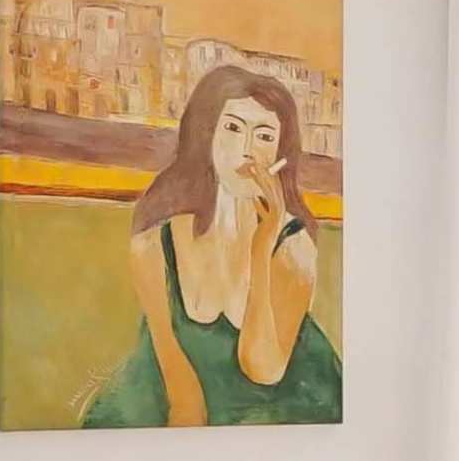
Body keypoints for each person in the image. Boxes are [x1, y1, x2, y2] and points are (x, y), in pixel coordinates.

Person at [80, 64, 344, 425]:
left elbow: (264, 369)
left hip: (283, 403)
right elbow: (177, 380)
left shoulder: (293, 247)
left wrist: (262, 248)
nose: (248, 150)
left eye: (265, 137)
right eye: (233, 129)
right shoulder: (157, 238)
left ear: (282, 152)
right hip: (176, 397)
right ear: (207, 134)